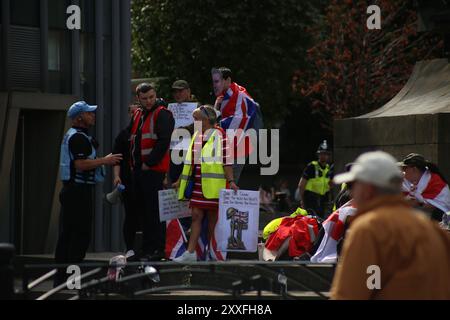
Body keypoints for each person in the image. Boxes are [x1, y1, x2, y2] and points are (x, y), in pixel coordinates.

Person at [330, 151, 450, 299]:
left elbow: (352, 293)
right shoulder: (433, 231)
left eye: (354, 185)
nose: (351, 191)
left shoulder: (368, 229)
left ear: (367, 190)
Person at [55, 101, 122, 285]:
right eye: (89, 113)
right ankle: (72, 281)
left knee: (68, 235)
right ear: (79, 117)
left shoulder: (77, 135)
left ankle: (61, 280)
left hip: (74, 191)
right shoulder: (77, 138)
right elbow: (80, 164)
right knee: (79, 235)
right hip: (78, 192)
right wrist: (105, 160)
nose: (93, 115)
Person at [173, 105, 239, 262]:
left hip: (213, 187)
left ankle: (211, 251)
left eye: (197, 118)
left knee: (212, 220)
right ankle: (190, 253)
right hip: (196, 185)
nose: (194, 121)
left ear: (207, 120)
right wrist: (180, 181)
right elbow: (190, 162)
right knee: (196, 216)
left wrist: (231, 181)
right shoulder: (196, 136)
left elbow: (227, 162)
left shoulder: (220, 135)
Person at [129, 83, 175, 261]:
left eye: (151, 97)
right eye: (144, 98)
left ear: (155, 95)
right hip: (140, 171)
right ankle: (147, 249)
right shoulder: (139, 114)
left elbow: (163, 143)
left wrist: (149, 163)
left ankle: (157, 249)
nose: (149, 101)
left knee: (154, 212)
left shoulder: (162, 114)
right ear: (138, 98)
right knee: (144, 212)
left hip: (152, 171)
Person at [211, 67, 261, 183]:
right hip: (228, 145)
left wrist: (216, 123)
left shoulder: (240, 96)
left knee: (229, 182)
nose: (215, 85)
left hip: (238, 147)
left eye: (218, 81)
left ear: (228, 80)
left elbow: (239, 122)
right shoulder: (223, 96)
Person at [112, 103, 139, 255]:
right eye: (133, 111)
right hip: (128, 181)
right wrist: (116, 176)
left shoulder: (148, 132)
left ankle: (142, 247)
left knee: (145, 214)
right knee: (130, 214)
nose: (135, 113)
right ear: (129, 114)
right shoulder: (124, 135)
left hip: (144, 180)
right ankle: (129, 248)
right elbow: (117, 158)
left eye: (138, 110)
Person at [399, 153, 450, 222]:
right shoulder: (403, 180)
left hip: (437, 216)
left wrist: (418, 203)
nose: (403, 171)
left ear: (414, 169)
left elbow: (439, 206)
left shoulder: (434, 180)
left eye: (405, 168)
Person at [297, 140, 333, 218]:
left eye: (326, 154)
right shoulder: (312, 167)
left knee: (321, 221)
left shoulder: (328, 169)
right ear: (318, 154)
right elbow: (301, 185)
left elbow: (329, 186)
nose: (324, 156)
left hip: (323, 200)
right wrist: (302, 200)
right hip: (310, 199)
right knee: (312, 221)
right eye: (322, 153)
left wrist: (329, 200)